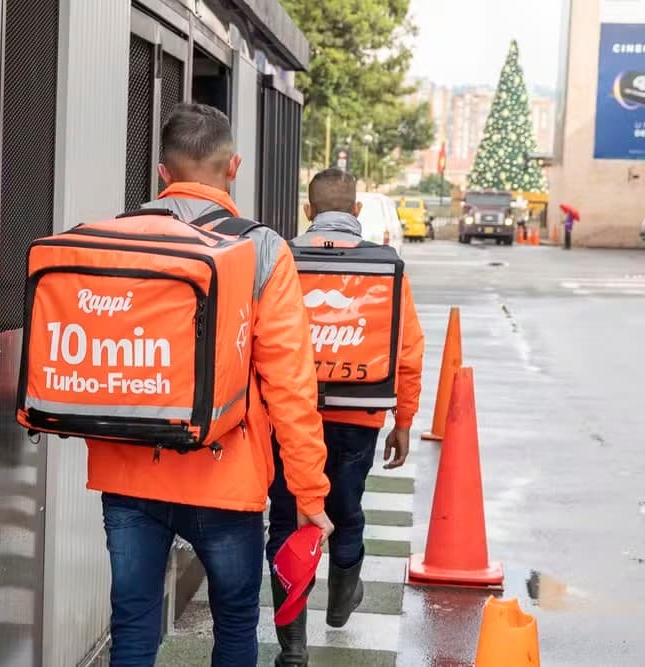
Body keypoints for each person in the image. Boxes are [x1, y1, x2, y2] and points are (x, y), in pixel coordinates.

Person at [86, 103, 334, 667]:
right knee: (235, 622)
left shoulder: (116, 237)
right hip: (226, 475)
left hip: (130, 472)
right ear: (234, 167)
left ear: (161, 173)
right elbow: (291, 385)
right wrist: (310, 494)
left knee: (132, 623)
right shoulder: (262, 249)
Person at [266, 169, 424, 665]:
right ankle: (341, 598)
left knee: (288, 518)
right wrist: (404, 417)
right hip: (359, 418)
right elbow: (408, 351)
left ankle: (293, 647)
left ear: (308, 212)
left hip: (287, 418)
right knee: (348, 509)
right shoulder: (388, 266)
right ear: (357, 213)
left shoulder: (279, 260)